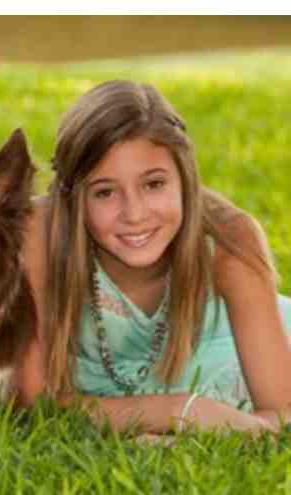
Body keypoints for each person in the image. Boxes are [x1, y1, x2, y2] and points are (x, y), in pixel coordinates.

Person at [21, 79, 291, 435]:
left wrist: (194, 425)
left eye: (154, 184)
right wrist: (175, 410)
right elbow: (36, 404)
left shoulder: (229, 240)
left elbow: (281, 416)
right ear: (73, 198)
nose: (134, 214)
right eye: (105, 192)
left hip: (229, 354)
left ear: (185, 178)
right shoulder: (38, 233)